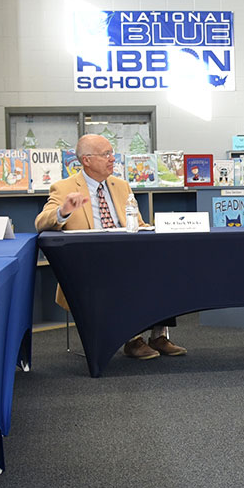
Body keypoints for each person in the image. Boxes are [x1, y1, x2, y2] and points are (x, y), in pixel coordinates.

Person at [34, 134, 184, 360]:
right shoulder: (64, 187)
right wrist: (63, 210)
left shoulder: (121, 185)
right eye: (106, 154)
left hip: (127, 252)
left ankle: (158, 335)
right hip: (90, 261)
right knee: (121, 274)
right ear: (86, 160)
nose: (112, 159)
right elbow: (40, 222)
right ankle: (132, 339)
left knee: (164, 266)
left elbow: (139, 224)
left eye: (112, 153)